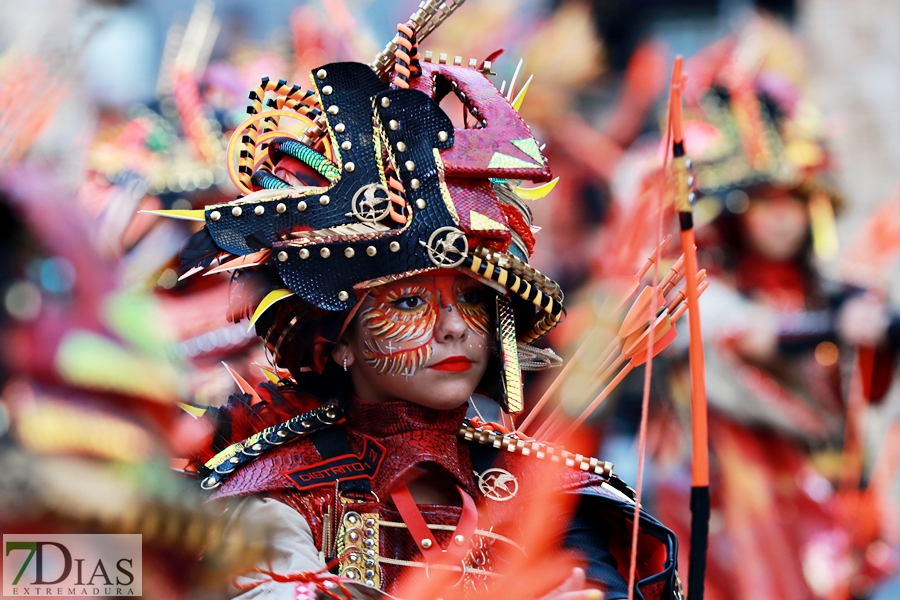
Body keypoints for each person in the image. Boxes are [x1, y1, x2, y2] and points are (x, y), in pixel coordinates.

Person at [165, 5, 682, 599]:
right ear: (340, 343)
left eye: (472, 299)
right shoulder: (276, 487)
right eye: (409, 302)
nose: (455, 328)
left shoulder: (541, 483)